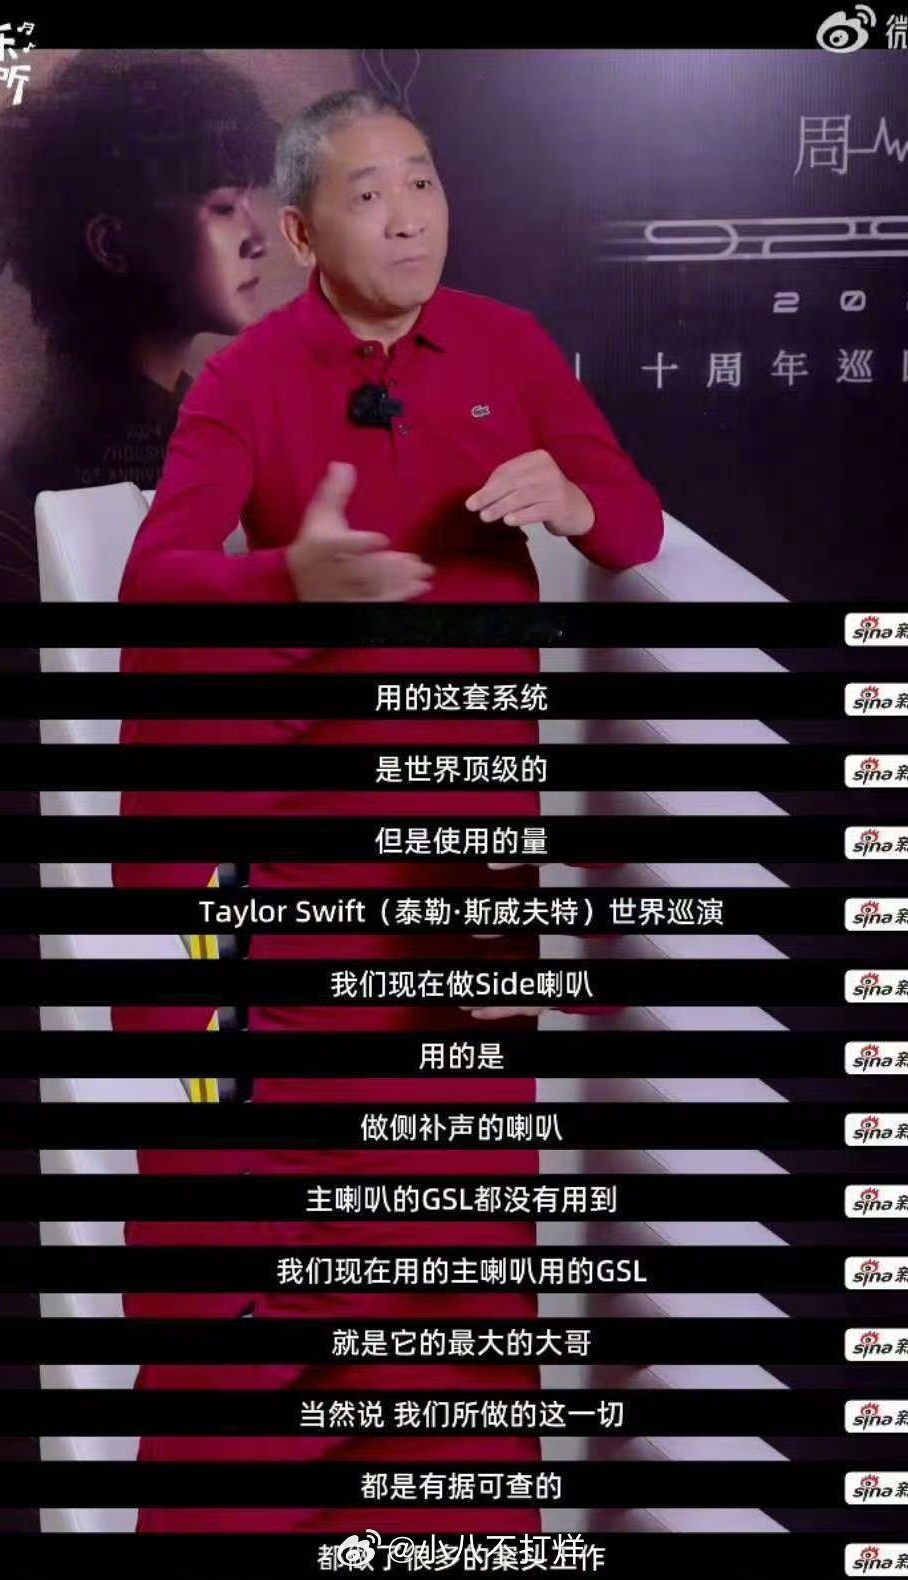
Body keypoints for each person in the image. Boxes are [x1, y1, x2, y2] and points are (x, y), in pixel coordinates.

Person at [113, 88, 665, 1535]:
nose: (410, 217)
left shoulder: (511, 345)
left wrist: (572, 494)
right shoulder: (245, 380)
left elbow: (635, 521)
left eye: (422, 182)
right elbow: (156, 580)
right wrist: (291, 578)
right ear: (301, 234)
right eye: (370, 195)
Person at [0, 50, 278, 498]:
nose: (258, 240)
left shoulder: (187, 415)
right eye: (224, 208)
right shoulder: (94, 454)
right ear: (112, 244)